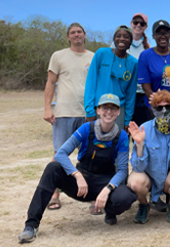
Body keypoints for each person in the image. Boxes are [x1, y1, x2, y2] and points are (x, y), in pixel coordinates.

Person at [18, 94, 138, 243]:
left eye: (113, 108)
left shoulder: (121, 136)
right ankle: (31, 225)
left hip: (104, 182)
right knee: (52, 168)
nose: (109, 112)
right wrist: (76, 174)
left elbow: (122, 170)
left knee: (126, 196)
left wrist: (107, 190)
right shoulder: (87, 128)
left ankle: (109, 210)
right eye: (105, 108)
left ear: (119, 112)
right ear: (98, 110)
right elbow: (61, 153)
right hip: (82, 184)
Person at [43, 22, 94, 210]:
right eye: (72, 32)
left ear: (84, 34)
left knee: (90, 155)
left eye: (79, 32)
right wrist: (48, 108)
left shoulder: (93, 57)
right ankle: (53, 193)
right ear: (68, 37)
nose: (76, 35)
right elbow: (50, 83)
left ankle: (92, 194)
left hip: (88, 113)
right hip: (64, 112)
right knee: (59, 153)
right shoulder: (58, 56)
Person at [128, 90, 170, 223]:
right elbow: (138, 166)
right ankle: (143, 205)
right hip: (148, 176)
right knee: (135, 182)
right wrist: (140, 144)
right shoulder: (144, 129)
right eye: (159, 107)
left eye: (168, 107)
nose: (164, 111)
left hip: (168, 178)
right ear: (153, 109)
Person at [84, 25, 138, 131]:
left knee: (116, 144)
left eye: (126, 37)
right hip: (98, 108)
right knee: (95, 144)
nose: (122, 39)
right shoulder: (101, 54)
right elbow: (91, 82)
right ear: (114, 39)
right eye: (118, 36)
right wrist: (90, 111)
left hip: (119, 110)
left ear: (131, 41)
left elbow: (131, 93)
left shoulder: (134, 63)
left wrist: (127, 119)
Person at [138, 20, 170, 110]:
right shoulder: (145, 56)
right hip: (157, 106)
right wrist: (158, 105)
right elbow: (145, 86)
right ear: (153, 36)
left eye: (166, 33)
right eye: (159, 33)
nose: (163, 36)